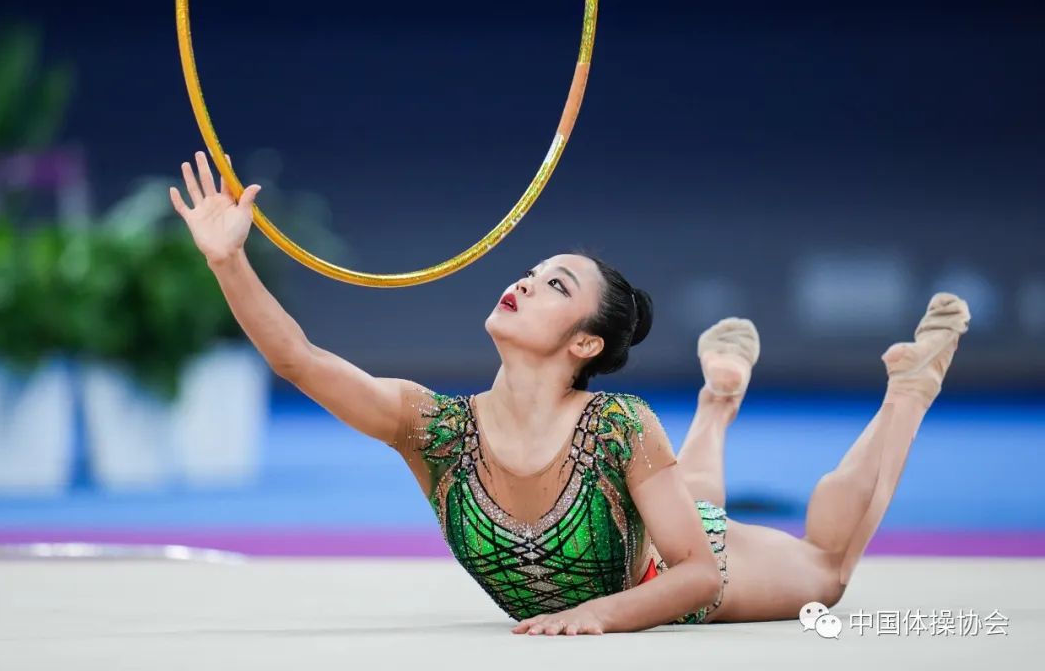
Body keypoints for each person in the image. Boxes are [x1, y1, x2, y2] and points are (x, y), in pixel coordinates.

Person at [169, 152, 972, 635]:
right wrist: (226, 261)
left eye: (554, 285)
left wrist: (600, 616)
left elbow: (698, 574)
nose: (523, 282)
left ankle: (909, 389)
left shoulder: (618, 426)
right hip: (654, 523)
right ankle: (720, 401)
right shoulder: (433, 430)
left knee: (825, 573)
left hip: (661, 584)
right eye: (530, 272)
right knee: (682, 499)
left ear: (584, 343)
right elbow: (299, 360)